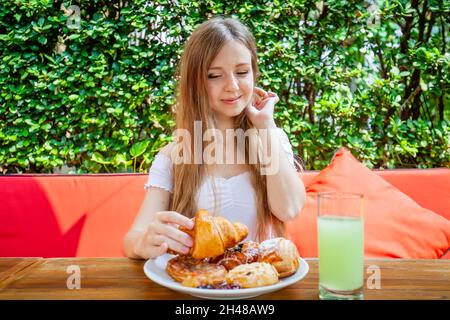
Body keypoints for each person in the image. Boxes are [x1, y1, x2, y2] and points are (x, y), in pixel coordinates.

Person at [123, 16, 306, 260]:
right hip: (199, 285)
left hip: (260, 282)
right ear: (195, 82)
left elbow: (290, 209)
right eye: (214, 75)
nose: (232, 86)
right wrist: (143, 243)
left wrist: (265, 126)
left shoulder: (271, 137)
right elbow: (133, 238)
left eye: (242, 72)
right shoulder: (173, 155)